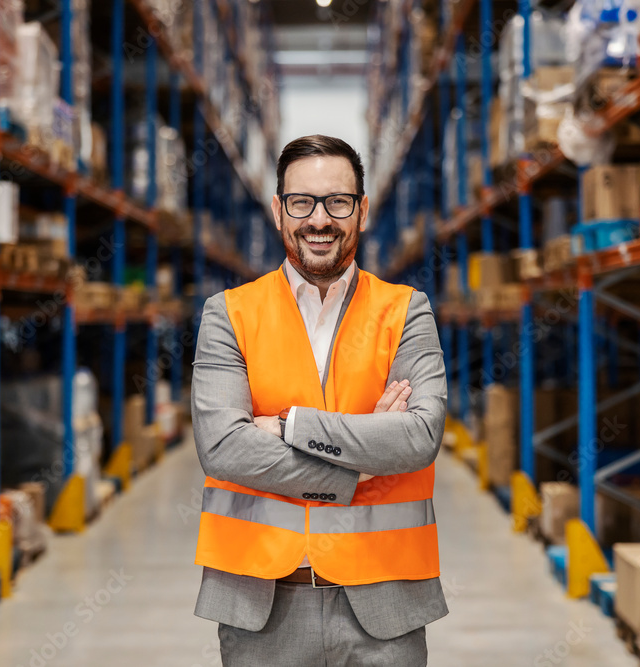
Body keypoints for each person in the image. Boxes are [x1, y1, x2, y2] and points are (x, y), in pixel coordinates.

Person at [191, 134, 448, 666]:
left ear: (362, 209)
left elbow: (419, 437)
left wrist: (287, 426)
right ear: (279, 211)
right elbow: (222, 448)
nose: (320, 220)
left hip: (385, 605)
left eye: (338, 202)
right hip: (262, 604)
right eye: (302, 202)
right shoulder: (229, 315)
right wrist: (359, 467)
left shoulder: (406, 312)